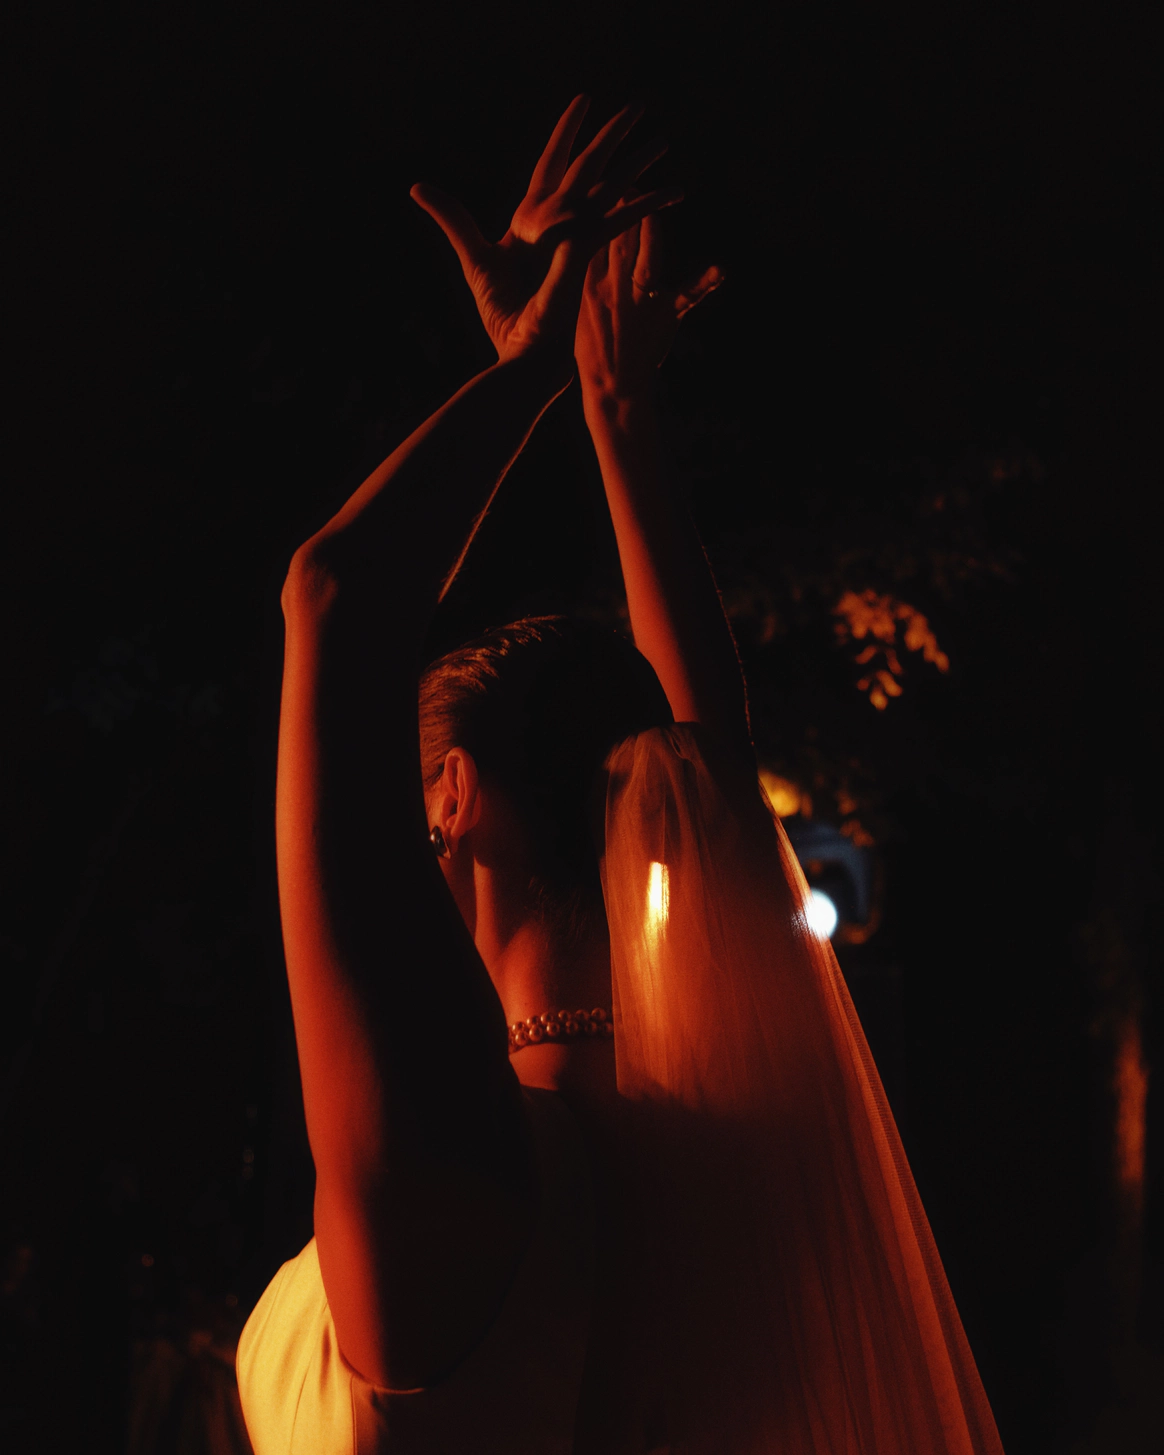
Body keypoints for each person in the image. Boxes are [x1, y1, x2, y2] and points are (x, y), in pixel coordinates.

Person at [236, 97, 1005, 1454]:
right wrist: (612, 410)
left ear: (452, 799)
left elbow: (333, 593)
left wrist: (541, 368)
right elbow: (706, 756)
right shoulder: (738, 1157)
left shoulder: (461, 1167)